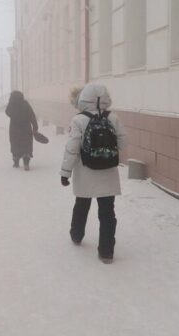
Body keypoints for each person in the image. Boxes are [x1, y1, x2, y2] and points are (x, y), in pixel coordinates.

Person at [60, 84, 126, 264]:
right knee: (107, 212)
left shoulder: (78, 120)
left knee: (81, 205)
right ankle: (106, 252)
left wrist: (65, 172)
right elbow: (123, 143)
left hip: (85, 172)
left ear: (84, 98)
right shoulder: (113, 117)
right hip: (108, 173)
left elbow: (72, 149)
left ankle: (76, 235)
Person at [5, 90, 38, 170]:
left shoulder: (11, 105)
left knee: (15, 144)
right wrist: (35, 127)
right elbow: (32, 116)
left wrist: (14, 115)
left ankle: (16, 162)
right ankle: (26, 163)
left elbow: (7, 112)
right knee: (26, 145)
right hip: (26, 129)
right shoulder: (26, 104)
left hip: (14, 129)